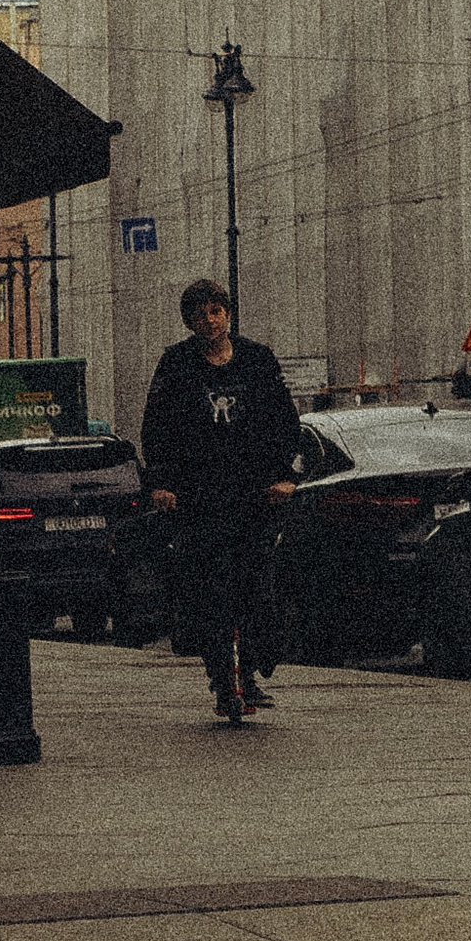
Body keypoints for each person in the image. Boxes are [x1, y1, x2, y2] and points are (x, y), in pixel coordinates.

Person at [139, 279, 304, 727]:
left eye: (216, 311)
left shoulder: (257, 360)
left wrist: (286, 477)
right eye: (200, 314)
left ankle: (250, 669)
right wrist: (162, 483)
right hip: (201, 498)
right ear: (189, 322)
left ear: (228, 314)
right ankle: (222, 678)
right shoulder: (176, 364)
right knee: (212, 592)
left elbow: (285, 422)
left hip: (253, 496)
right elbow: (157, 427)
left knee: (257, 589)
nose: (210, 321)